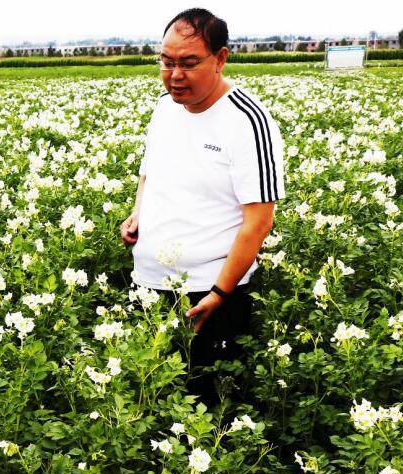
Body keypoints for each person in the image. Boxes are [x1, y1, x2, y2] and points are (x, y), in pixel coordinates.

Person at [121, 8, 284, 406]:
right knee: (151, 403)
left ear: (221, 58)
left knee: (205, 409)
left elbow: (259, 221)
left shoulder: (248, 120)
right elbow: (150, 170)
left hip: (207, 297)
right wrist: (139, 211)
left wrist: (219, 293)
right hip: (149, 284)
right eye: (167, 62)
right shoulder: (165, 108)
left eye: (189, 63)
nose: (175, 75)